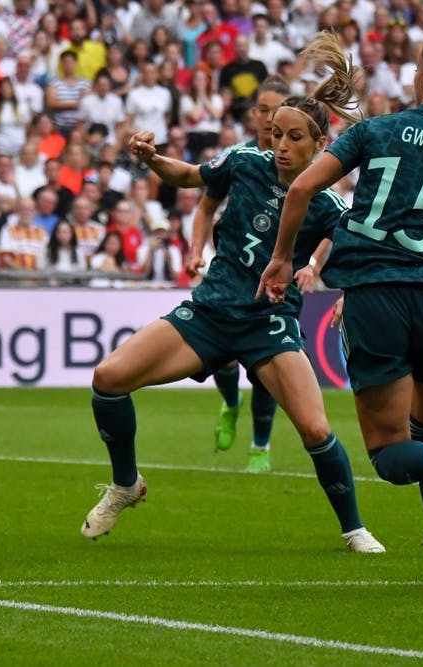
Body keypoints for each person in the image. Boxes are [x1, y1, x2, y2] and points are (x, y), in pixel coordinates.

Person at [80, 32, 385, 556]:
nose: (282, 146)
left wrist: (328, 278)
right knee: (108, 379)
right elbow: (191, 177)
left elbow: (356, 250)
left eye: (294, 138)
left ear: (319, 147)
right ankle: (127, 484)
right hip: (211, 310)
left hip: (269, 325)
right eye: (277, 134)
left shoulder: (328, 206)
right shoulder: (246, 162)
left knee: (315, 429)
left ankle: (354, 528)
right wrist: (154, 160)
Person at [258, 32, 423, 585]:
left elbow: (300, 191)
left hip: (375, 295)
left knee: (392, 454)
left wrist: (283, 259)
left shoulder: (376, 130)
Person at [190, 75, 293, 472]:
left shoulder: (305, 164)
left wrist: (313, 264)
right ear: (254, 114)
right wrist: (196, 249)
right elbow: (205, 206)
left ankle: (260, 448)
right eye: (264, 110)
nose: (270, 118)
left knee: (267, 367)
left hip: (276, 281)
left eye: (277, 110)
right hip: (231, 273)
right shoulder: (239, 157)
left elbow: (327, 215)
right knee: (223, 358)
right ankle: (231, 403)